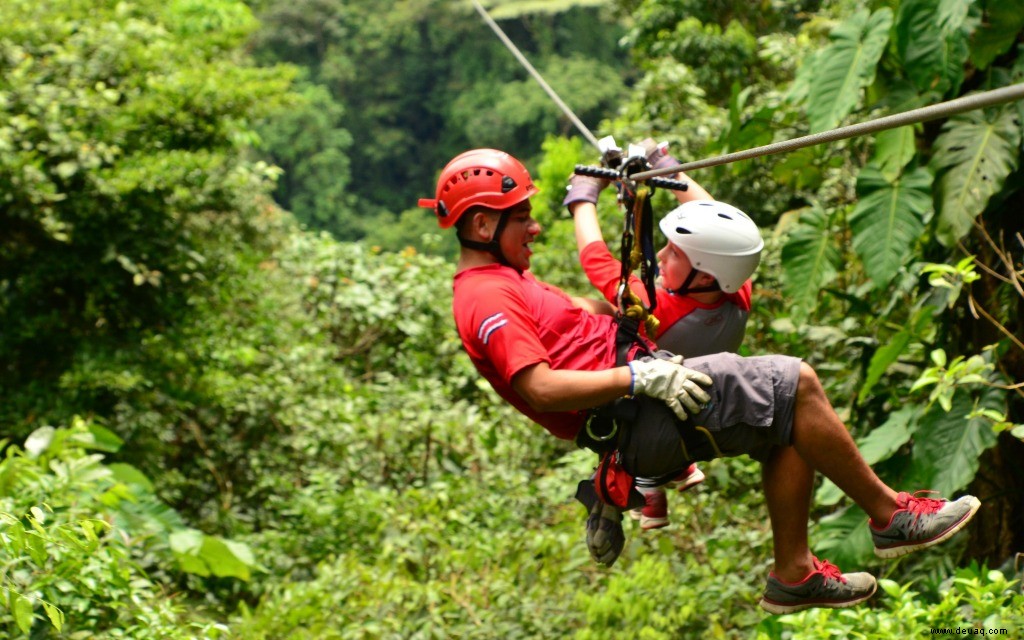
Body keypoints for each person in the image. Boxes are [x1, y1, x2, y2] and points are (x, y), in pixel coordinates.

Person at [418, 148, 981, 614]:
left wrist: (601, 231)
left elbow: (580, 310)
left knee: (789, 424)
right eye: (522, 218)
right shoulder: (488, 296)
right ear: (483, 224)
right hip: (641, 407)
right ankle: (891, 517)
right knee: (797, 383)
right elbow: (539, 388)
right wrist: (638, 376)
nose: (534, 227)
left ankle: (794, 573)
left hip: (646, 391)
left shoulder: (504, 279)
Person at [565, 140, 761, 530]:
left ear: (704, 275)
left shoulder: (652, 307)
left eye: (673, 254)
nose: (663, 257)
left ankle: (647, 481)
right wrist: (672, 174)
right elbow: (717, 225)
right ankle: (660, 478)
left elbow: (596, 258)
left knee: (588, 311)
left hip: (647, 398)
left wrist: (583, 197)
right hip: (695, 392)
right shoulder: (738, 292)